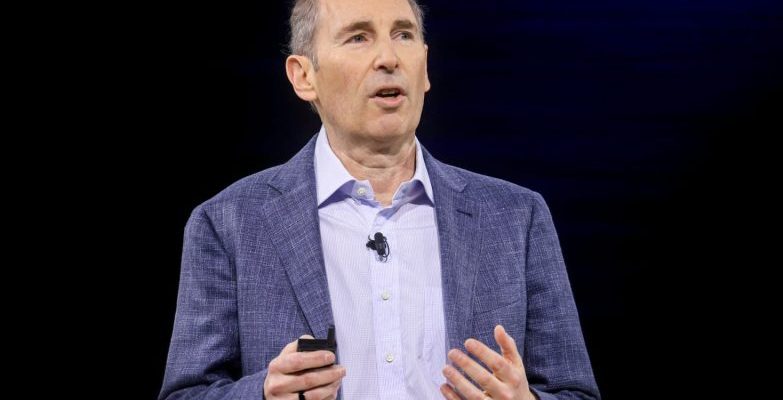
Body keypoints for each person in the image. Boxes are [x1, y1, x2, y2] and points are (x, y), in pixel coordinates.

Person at [159, 0, 600, 399]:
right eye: (358, 37)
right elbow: (186, 393)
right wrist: (262, 395)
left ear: (425, 68)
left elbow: (574, 391)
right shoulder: (229, 223)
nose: (389, 58)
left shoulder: (516, 217)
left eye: (403, 34)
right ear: (304, 76)